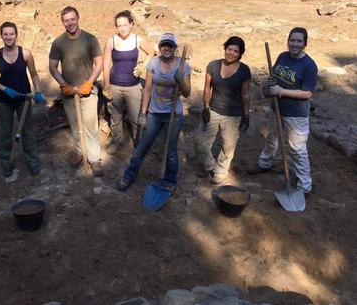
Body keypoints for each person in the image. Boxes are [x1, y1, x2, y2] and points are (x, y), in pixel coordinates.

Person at [248, 27, 318, 196]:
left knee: (297, 148)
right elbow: (276, 78)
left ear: (305, 43)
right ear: (288, 41)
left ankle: (305, 185)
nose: (295, 44)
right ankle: (265, 163)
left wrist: (280, 91)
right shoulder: (282, 56)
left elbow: (308, 93)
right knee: (271, 139)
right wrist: (271, 83)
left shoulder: (309, 65)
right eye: (292, 40)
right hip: (276, 108)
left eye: (299, 41)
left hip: (296, 114)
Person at [118, 33, 191, 192]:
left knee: (170, 150)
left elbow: (186, 93)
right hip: (155, 114)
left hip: (174, 114)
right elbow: (148, 90)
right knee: (141, 147)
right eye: (163, 45)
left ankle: (170, 180)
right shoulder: (153, 64)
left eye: (170, 45)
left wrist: (182, 80)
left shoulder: (183, 66)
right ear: (159, 47)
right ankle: (129, 174)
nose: (166, 48)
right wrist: (143, 113)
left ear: (174, 48)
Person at [49, 6, 104, 177]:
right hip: (69, 93)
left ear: (78, 18)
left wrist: (89, 83)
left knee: (91, 127)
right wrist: (63, 84)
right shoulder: (58, 43)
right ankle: (80, 152)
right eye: (66, 20)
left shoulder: (90, 39)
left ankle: (94, 159)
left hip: (87, 91)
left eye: (73, 19)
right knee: (75, 127)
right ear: (62, 22)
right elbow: (52, 66)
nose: (70, 23)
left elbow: (100, 63)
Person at [0, 22, 45, 177]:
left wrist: (38, 91)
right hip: (5, 100)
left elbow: (33, 74)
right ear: (1, 36)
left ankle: (32, 162)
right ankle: (7, 163)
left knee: (27, 131)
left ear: (16, 35)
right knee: (6, 133)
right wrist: (5, 89)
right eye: (5, 34)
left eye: (11, 34)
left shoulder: (25, 53)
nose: (8, 37)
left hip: (24, 99)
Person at [194, 36, 251, 185]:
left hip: (234, 114)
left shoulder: (244, 70)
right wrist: (205, 107)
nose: (231, 53)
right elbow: (207, 87)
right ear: (225, 49)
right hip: (214, 109)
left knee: (228, 146)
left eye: (236, 51)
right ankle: (209, 166)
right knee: (200, 141)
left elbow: (245, 94)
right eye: (229, 49)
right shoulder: (213, 65)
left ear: (240, 53)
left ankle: (220, 171)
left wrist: (246, 115)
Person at [103, 10, 154, 155]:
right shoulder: (111, 41)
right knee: (115, 116)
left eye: (125, 25)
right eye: (119, 26)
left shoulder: (138, 40)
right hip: (115, 85)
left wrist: (142, 66)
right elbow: (106, 64)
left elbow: (151, 52)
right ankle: (116, 141)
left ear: (131, 24)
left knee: (135, 116)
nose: (122, 28)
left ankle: (138, 141)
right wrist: (106, 85)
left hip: (133, 85)